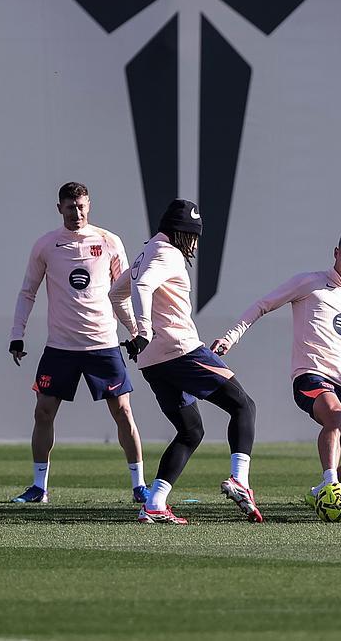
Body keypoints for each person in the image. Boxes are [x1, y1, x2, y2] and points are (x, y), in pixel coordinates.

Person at [109, 199, 261, 525]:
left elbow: (116, 294)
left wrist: (138, 334)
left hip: (153, 362)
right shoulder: (168, 254)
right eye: (193, 236)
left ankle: (154, 503)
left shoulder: (145, 253)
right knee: (244, 405)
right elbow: (143, 286)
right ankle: (240, 480)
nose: (194, 244)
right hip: (182, 351)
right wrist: (143, 331)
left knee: (191, 430)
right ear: (181, 233)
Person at [212, 227, 341, 508]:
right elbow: (263, 305)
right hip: (310, 378)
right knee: (335, 415)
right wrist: (231, 337)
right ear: (336, 253)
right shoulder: (309, 283)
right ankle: (330, 484)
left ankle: (317, 493)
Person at [9, 182, 148, 504]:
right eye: (70, 207)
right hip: (60, 347)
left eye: (81, 206)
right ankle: (39, 487)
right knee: (43, 412)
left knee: (123, 411)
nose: (77, 213)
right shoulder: (46, 245)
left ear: (89, 205)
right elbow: (27, 292)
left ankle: (139, 485)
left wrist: (136, 331)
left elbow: (123, 292)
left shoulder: (109, 241)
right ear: (59, 208)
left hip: (103, 345)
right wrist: (17, 333)